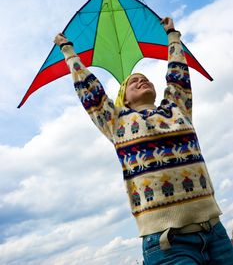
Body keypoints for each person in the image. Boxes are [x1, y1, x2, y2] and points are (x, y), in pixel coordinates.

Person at [54, 17, 233, 264]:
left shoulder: (177, 108)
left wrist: (172, 35)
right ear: (123, 99)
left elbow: (178, 73)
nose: (141, 80)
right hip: (168, 243)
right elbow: (89, 90)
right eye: (133, 82)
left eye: (145, 78)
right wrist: (68, 50)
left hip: (216, 233)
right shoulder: (117, 121)